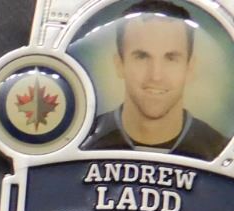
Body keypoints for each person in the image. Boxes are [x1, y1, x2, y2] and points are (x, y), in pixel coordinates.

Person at [81, 0, 230, 159]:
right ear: (119, 64)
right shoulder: (81, 140)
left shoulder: (221, 151)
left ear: (190, 68)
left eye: (171, 58)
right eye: (142, 57)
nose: (156, 76)